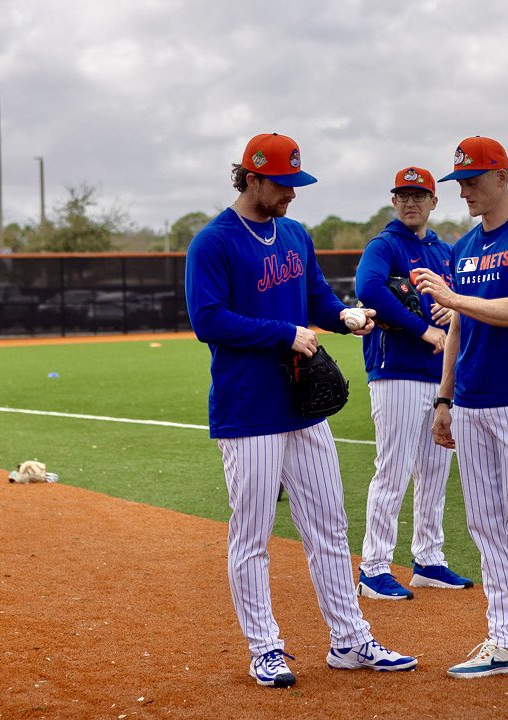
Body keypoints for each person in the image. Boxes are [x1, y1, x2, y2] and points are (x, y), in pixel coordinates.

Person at [185, 132, 417, 689]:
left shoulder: (294, 234)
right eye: (283, 183)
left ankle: (349, 640)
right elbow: (207, 320)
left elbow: (317, 298)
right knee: (252, 535)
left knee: (329, 529)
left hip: (303, 407)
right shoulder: (213, 242)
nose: (292, 193)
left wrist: (347, 316)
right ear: (252, 178)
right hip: (248, 411)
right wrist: (284, 333)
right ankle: (264, 648)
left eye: (296, 182)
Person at [413, 135, 508, 679]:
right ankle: (503, 639)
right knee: (485, 526)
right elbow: (457, 328)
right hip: (472, 404)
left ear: (502, 175)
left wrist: (454, 298)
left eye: (473, 180)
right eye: (459, 182)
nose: (465, 192)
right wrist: (444, 398)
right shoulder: (463, 248)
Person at [353, 166, 473, 601]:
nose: (410, 202)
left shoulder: (445, 250)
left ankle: (428, 560)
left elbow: (464, 298)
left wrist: (453, 308)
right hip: (396, 372)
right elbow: (369, 288)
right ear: (393, 201)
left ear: (433, 202)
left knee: (435, 473)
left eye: (419, 195)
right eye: (403, 195)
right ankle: (373, 567)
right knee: (393, 470)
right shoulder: (384, 245)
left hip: (440, 378)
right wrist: (423, 328)